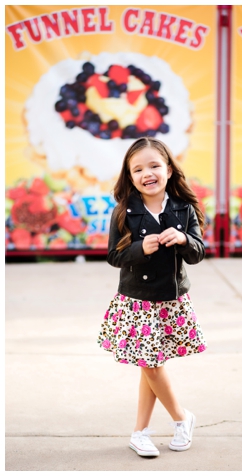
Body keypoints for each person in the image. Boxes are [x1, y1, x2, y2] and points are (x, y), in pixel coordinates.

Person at [97, 137, 207, 457]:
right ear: (130, 177)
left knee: (150, 365)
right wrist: (138, 250)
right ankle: (181, 418)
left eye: (155, 165)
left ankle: (140, 432)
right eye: (138, 168)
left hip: (170, 300)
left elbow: (198, 253)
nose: (148, 173)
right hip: (137, 300)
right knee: (151, 365)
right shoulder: (124, 213)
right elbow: (114, 257)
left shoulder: (184, 209)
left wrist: (184, 238)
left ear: (169, 171)